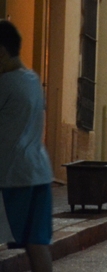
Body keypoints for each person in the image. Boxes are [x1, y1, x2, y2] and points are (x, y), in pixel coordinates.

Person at [0, 20, 53, 272]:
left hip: (11, 176)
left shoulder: (5, 83)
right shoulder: (32, 79)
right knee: (37, 244)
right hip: (39, 173)